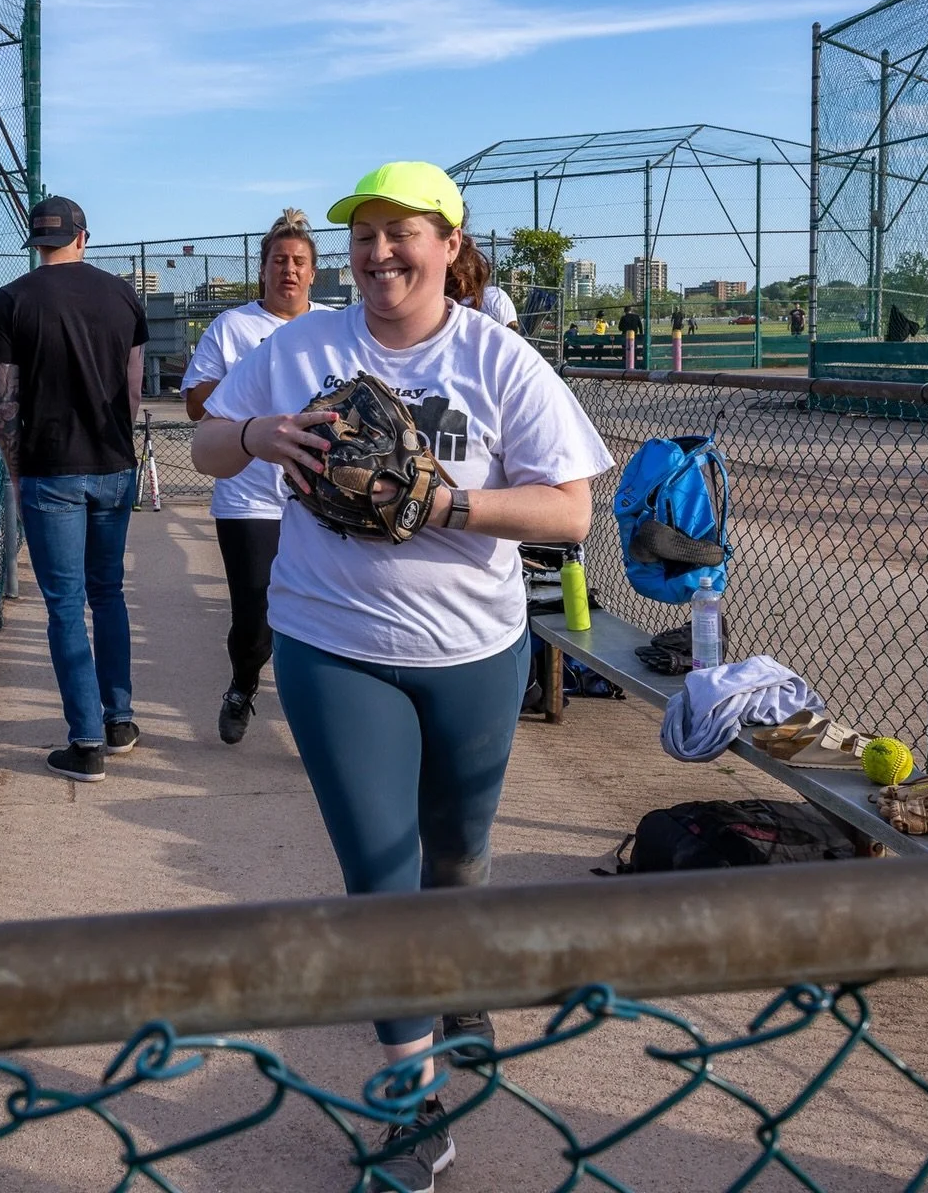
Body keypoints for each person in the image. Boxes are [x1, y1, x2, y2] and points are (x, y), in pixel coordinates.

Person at [191, 161, 611, 1190]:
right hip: (335, 642)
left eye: (403, 232)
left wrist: (448, 506)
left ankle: (454, 978)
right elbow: (204, 446)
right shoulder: (301, 348)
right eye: (365, 234)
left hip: (474, 647)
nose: (380, 252)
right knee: (382, 874)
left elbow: (569, 512)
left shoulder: (498, 359)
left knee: (457, 852)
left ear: (449, 245)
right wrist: (257, 434)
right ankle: (411, 1103)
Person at [0, 196, 148, 783]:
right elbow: (132, 390)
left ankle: (84, 743)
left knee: (63, 603)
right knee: (108, 593)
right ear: (84, 236)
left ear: (36, 241)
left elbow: (6, 397)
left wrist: (14, 467)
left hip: (48, 468)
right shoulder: (122, 293)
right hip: (112, 462)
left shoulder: (14, 299)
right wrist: (116, 446)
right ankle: (120, 721)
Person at [182, 209, 328, 745]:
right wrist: (256, 373)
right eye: (278, 261)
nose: (288, 270)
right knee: (255, 614)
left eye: (299, 262)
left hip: (319, 497)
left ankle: (314, 717)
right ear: (262, 270)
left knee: (321, 612)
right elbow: (199, 406)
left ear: (314, 273)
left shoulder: (332, 325)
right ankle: (243, 685)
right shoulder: (234, 327)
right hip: (250, 498)